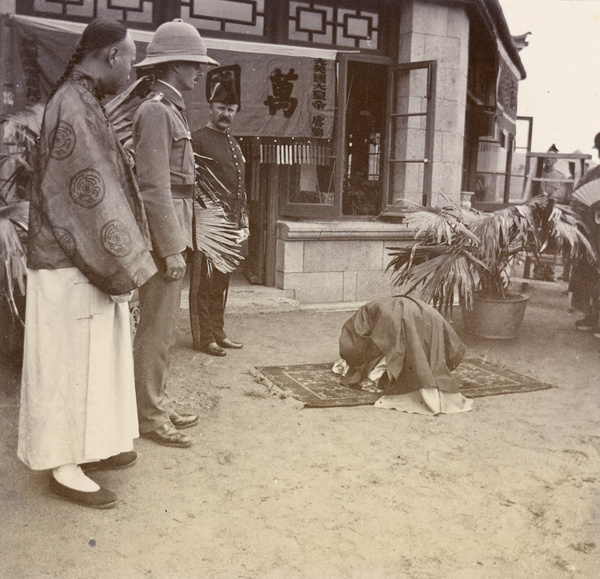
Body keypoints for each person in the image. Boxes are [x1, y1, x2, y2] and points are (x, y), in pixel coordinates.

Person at [18, 19, 157, 509]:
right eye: (132, 56)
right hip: (70, 259)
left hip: (81, 257)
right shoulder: (74, 105)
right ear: (112, 56)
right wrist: (124, 261)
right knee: (68, 366)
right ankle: (63, 464)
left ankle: (89, 448)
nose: (134, 66)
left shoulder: (80, 98)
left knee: (92, 362)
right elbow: (87, 194)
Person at [131, 20, 218, 448]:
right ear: (174, 64)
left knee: (164, 329)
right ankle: (149, 416)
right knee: (155, 328)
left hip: (176, 230)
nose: (200, 71)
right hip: (161, 237)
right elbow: (153, 185)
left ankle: (157, 403)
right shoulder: (154, 111)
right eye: (193, 63)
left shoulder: (170, 109)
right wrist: (169, 248)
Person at [190, 65, 248, 357]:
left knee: (222, 281)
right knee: (204, 283)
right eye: (221, 108)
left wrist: (243, 219)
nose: (226, 114)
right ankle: (203, 337)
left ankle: (219, 331)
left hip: (230, 226)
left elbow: (240, 185)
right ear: (210, 108)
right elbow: (192, 184)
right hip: (207, 225)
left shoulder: (234, 144)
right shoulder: (197, 139)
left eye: (232, 109)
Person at [337, 296, 472, 415]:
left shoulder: (361, 321)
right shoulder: (370, 313)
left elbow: (353, 348)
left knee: (397, 348)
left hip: (399, 315)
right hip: (426, 313)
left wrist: (358, 363)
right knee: (413, 342)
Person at [569, 133, 600, 337]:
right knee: (589, 273)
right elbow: (578, 199)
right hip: (592, 232)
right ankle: (591, 316)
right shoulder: (592, 173)